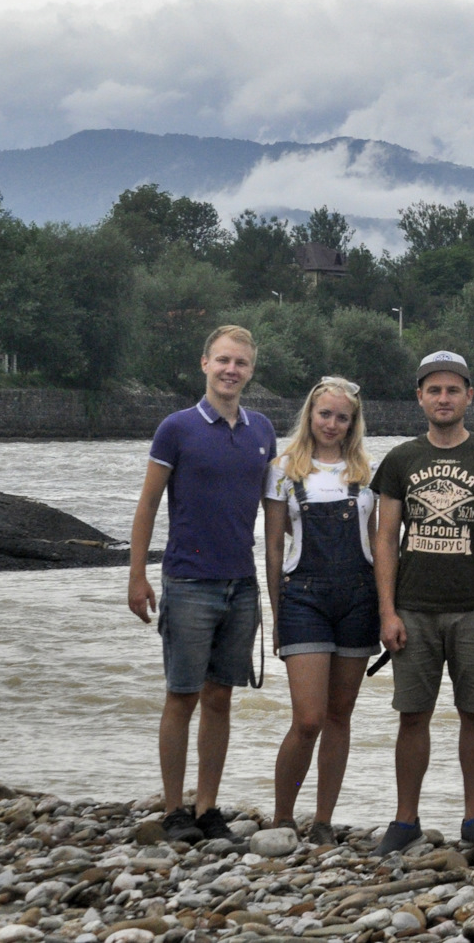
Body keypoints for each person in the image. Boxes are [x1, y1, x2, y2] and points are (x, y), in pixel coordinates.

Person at [127, 324, 277, 845]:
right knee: (181, 697)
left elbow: (274, 508)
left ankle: (208, 806)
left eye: (240, 363)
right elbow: (147, 503)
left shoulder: (262, 431)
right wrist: (137, 575)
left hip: (241, 582)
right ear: (205, 364)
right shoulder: (177, 428)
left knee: (220, 699)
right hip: (188, 580)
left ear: (251, 371)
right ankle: (174, 810)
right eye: (223, 361)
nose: (231, 370)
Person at [372, 350, 474, 859]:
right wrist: (386, 611)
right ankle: (405, 818)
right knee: (412, 715)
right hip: (412, 607)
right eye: (433, 390)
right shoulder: (400, 459)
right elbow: (386, 537)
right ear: (420, 397)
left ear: (469, 397)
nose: (443, 398)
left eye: (452, 390)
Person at [262, 376, 379, 846]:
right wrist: (276, 611)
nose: (332, 424)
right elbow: (272, 548)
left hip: (359, 598)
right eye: (325, 414)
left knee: (340, 715)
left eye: (342, 417)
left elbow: (383, 544)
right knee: (308, 719)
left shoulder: (368, 472)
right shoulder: (283, 469)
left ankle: (324, 820)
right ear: (310, 415)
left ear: (354, 424)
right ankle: (283, 816)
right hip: (303, 598)